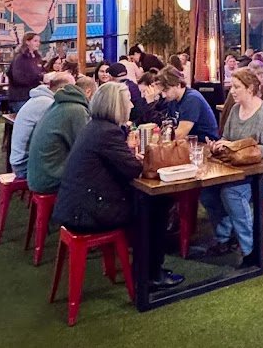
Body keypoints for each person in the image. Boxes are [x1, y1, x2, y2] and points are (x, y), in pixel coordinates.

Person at [53, 82, 183, 288]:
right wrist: (143, 161)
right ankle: (150, 273)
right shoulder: (107, 133)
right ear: (117, 105)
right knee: (157, 204)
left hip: (77, 204)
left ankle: (146, 269)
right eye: (128, 101)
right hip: (88, 211)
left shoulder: (95, 127)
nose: (131, 105)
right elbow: (132, 170)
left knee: (151, 203)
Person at [201, 68, 263, 265]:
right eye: (232, 87)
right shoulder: (235, 110)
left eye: (237, 87)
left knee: (232, 193)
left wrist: (236, 146)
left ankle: (251, 250)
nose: (232, 91)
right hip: (242, 171)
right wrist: (220, 145)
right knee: (208, 191)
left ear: (250, 88)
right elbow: (227, 137)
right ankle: (225, 237)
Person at [26, 75, 95, 195]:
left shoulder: (58, 104)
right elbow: (85, 150)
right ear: (89, 92)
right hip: (48, 179)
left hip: (38, 174)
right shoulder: (77, 110)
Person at [9, 72, 74, 179]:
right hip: (25, 166)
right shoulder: (48, 104)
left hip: (19, 162)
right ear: (63, 89)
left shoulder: (40, 99)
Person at [151, 65, 218, 141]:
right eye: (162, 91)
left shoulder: (191, 99)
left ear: (178, 85)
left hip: (205, 143)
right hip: (187, 142)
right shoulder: (172, 99)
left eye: (166, 90)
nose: (163, 95)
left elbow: (179, 135)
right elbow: (168, 127)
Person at [218, 59, 263, 131]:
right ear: (262, 75)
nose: (232, 90)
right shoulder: (260, 90)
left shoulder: (236, 89)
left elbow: (224, 119)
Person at [7, 33, 44, 111]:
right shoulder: (20, 58)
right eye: (35, 41)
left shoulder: (37, 58)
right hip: (21, 97)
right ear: (27, 42)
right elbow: (18, 78)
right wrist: (39, 78)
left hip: (33, 95)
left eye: (39, 41)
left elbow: (40, 71)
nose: (38, 43)